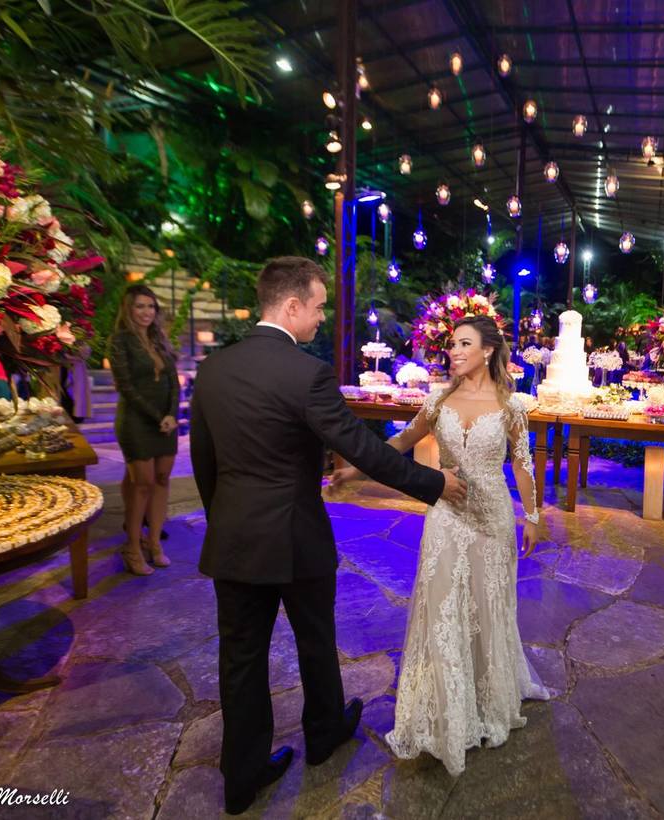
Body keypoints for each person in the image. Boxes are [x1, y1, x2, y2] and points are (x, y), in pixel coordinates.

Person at [189, 257, 466, 813]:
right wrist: (435, 483)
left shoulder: (213, 370)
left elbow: (205, 462)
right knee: (315, 640)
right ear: (291, 306)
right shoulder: (305, 373)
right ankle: (322, 734)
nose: (320, 319)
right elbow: (362, 449)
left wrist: (227, 519)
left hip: (235, 541)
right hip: (296, 538)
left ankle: (241, 780)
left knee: (240, 660)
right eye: (316, 307)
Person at [331, 315, 549, 776]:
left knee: (486, 607)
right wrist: (356, 468)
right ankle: (442, 714)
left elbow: (523, 464)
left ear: (487, 351)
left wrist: (531, 515)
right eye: (452, 344)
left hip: (492, 517)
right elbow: (401, 442)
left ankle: (486, 703)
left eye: (463, 344)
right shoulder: (438, 400)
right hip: (446, 515)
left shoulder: (511, 407)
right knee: (442, 605)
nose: (453, 351)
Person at [108, 285, 179, 575]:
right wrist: (157, 417)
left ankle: (154, 543)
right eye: (140, 306)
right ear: (128, 309)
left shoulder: (160, 339)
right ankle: (133, 547)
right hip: (137, 421)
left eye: (151, 307)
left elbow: (173, 383)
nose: (146, 312)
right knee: (142, 484)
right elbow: (126, 386)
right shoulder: (120, 341)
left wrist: (172, 414)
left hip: (166, 423)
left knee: (162, 479)